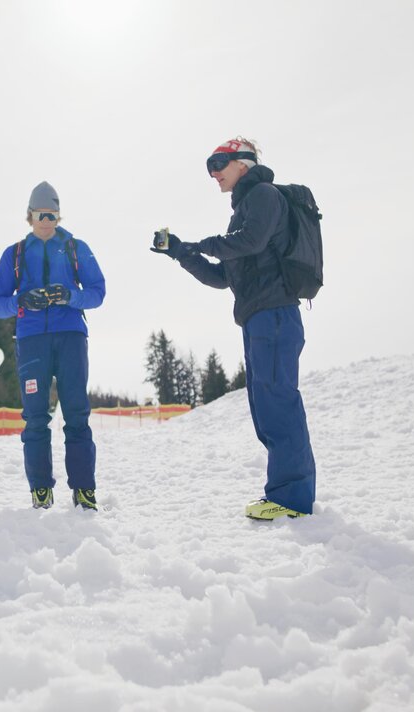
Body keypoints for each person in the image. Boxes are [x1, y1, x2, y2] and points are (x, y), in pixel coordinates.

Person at [151, 137, 316, 520]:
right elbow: (222, 277)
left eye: (219, 162)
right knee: (266, 406)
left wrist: (202, 242)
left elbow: (250, 241)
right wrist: (182, 252)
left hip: (275, 314)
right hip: (260, 318)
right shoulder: (243, 210)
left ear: (244, 162)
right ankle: (287, 493)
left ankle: (292, 499)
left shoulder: (262, 194)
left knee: (278, 403)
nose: (213, 172)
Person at [0, 181, 106, 511]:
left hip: (70, 336)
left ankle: (84, 490)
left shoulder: (75, 248)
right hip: (31, 341)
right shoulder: (13, 255)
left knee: (77, 414)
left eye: (53, 215)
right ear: (29, 216)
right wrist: (21, 301)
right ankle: (40, 489)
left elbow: (98, 292)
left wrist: (70, 296)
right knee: (35, 417)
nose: (47, 221)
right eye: (41, 214)